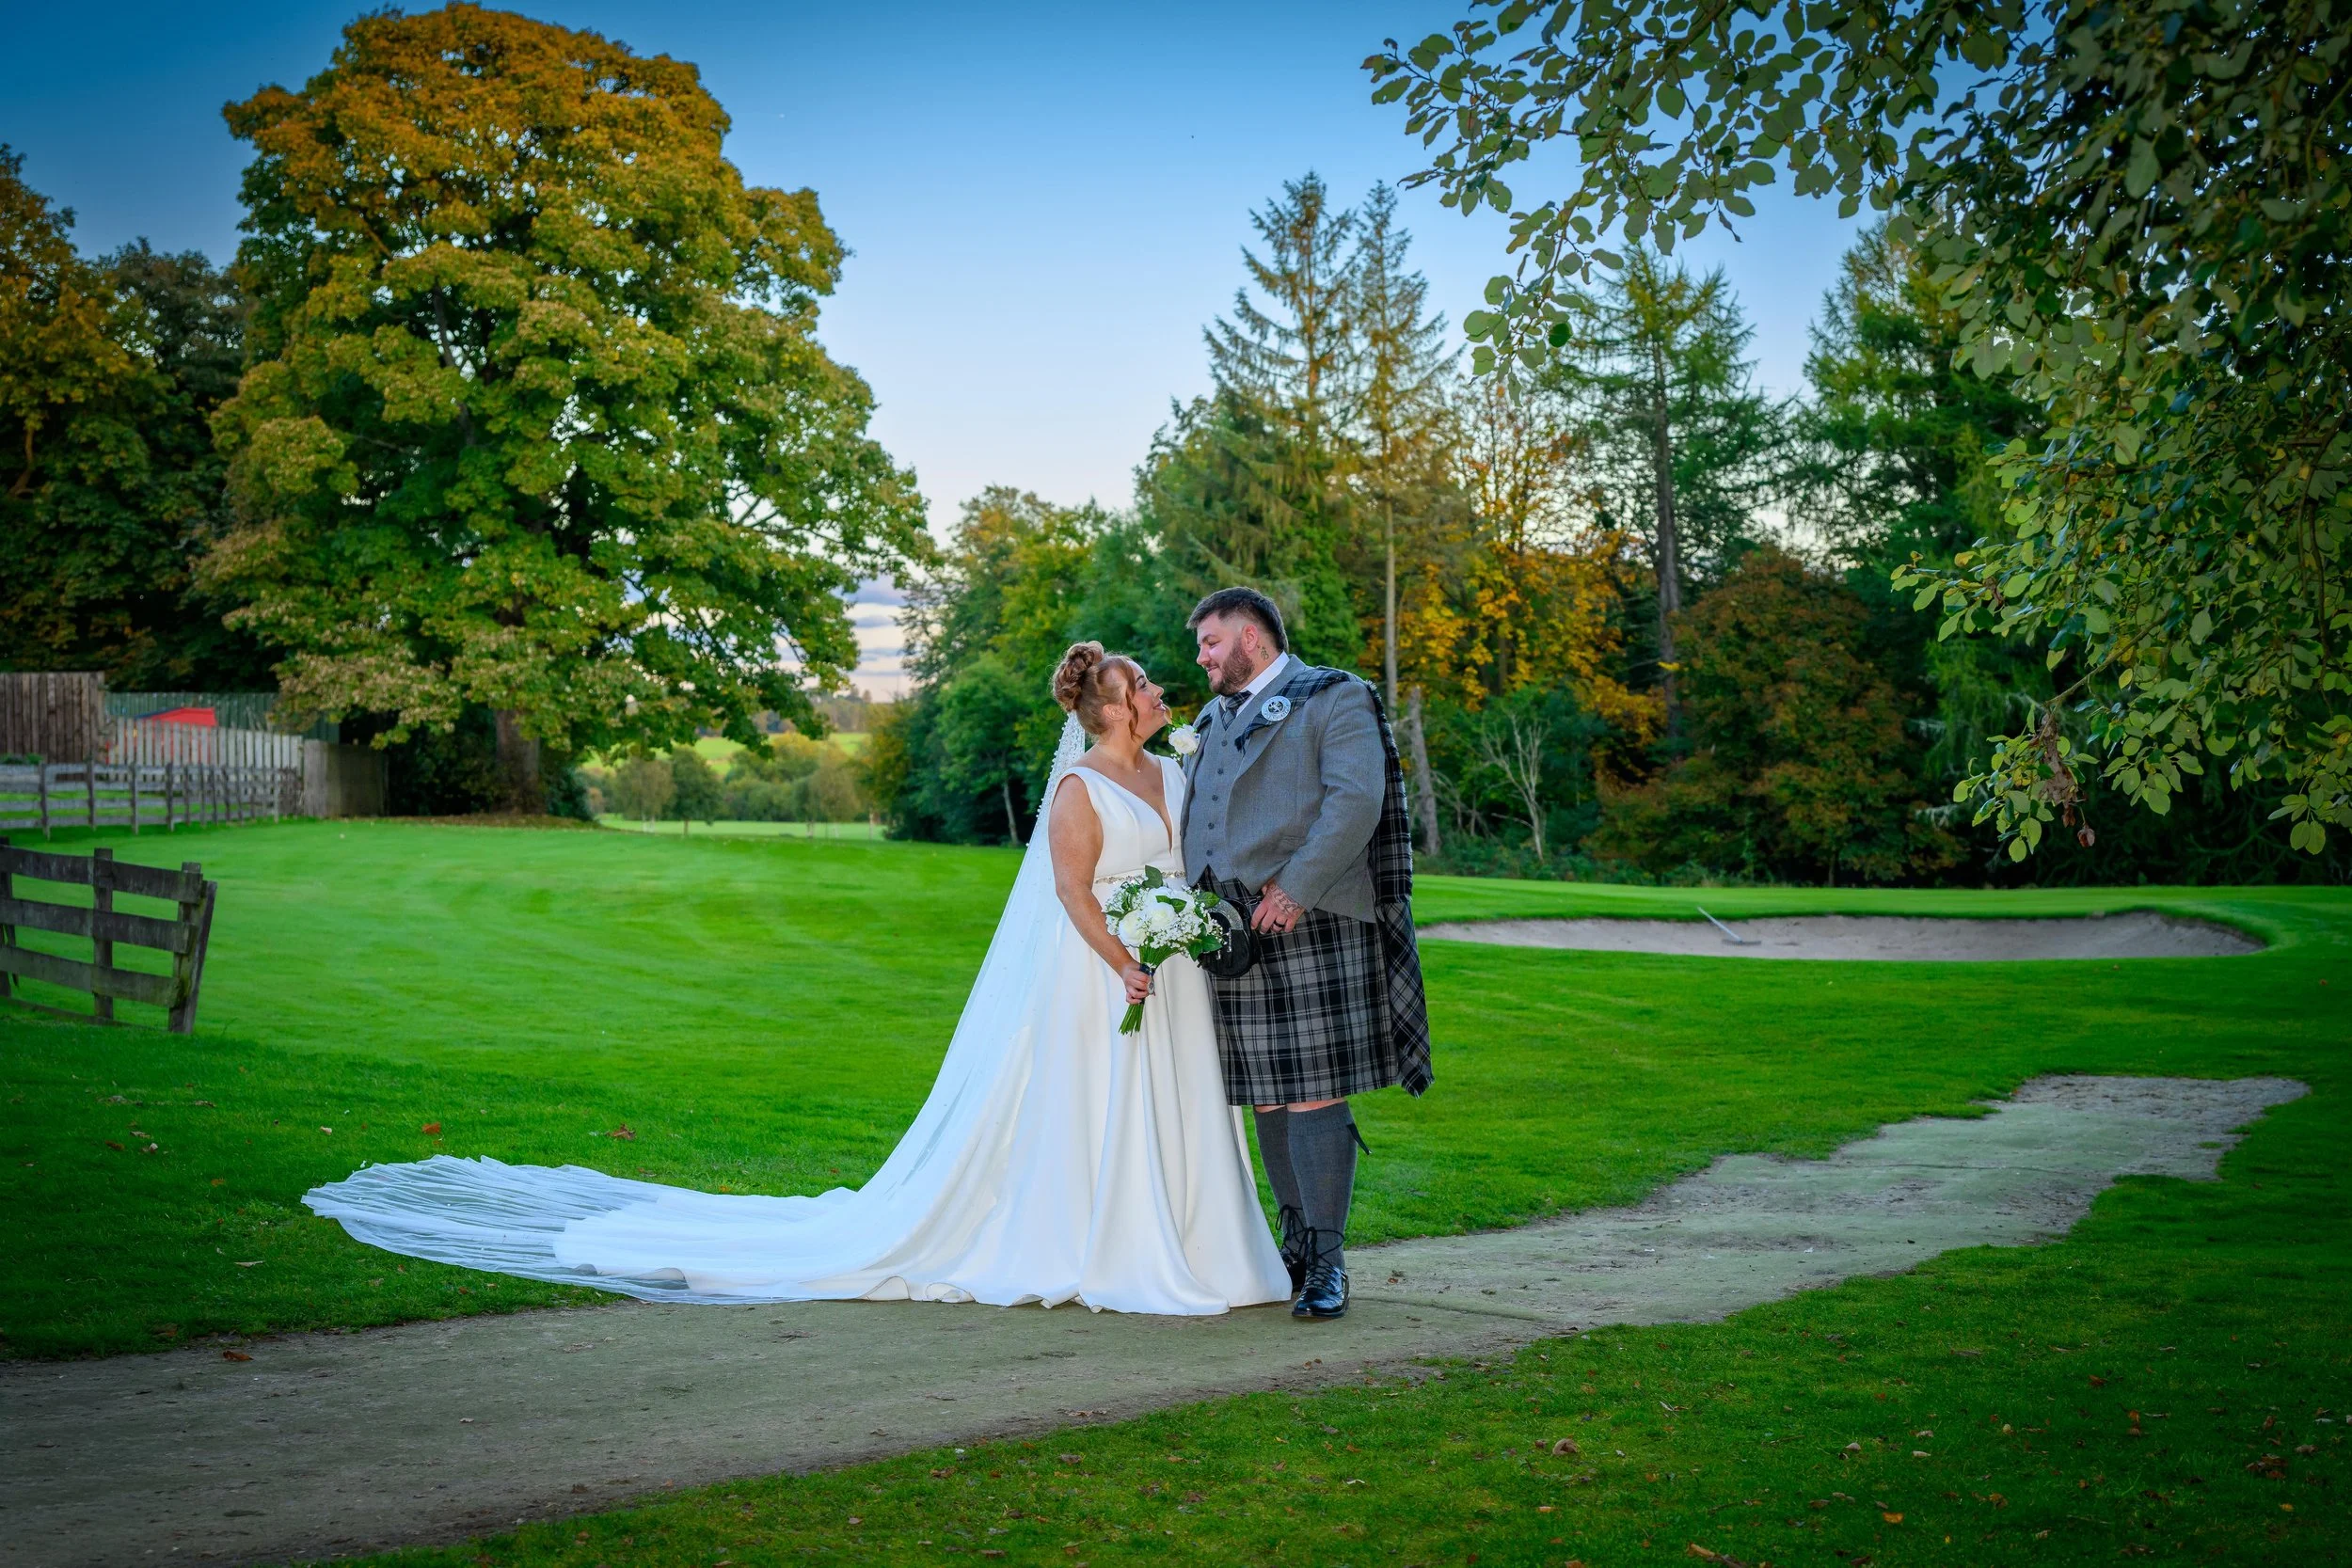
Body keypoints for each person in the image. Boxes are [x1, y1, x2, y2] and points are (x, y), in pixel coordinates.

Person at [305, 643, 1290, 1316]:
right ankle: (1102, 1243)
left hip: (1174, 977)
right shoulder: (1078, 790)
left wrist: (1183, 933)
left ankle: (1201, 1241)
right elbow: (1072, 890)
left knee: (1176, 1109)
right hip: (1100, 978)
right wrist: (1122, 956)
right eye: (1147, 683)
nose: (1163, 689)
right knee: (1093, 1112)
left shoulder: (1173, 773)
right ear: (1112, 707)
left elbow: (1189, 863)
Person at [1181, 586, 1434, 1321]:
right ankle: (1293, 1248)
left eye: (1211, 643)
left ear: (1252, 637)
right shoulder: (1208, 719)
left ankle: (1329, 1260)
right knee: (1265, 1091)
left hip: (1311, 916)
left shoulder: (1333, 695)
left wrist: (1293, 887)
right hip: (1232, 931)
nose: (1201, 658)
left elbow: (1356, 800)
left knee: (1315, 1088)